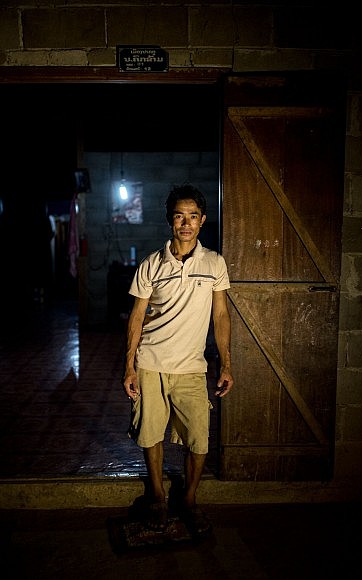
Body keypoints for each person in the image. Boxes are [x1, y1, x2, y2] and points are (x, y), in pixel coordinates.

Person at [123, 184, 234, 534]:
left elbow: (221, 316)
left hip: (191, 367)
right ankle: (157, 497)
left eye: (192, 216)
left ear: (202, 221)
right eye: (179, 216)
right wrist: (129, 366)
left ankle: (188, 500)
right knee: (150, 433)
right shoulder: (152, 264)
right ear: (170, 221)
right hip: (151, 363)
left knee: (199, 439)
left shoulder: (214, 263)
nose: (186, 223)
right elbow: (137, 318)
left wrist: (226, 363)